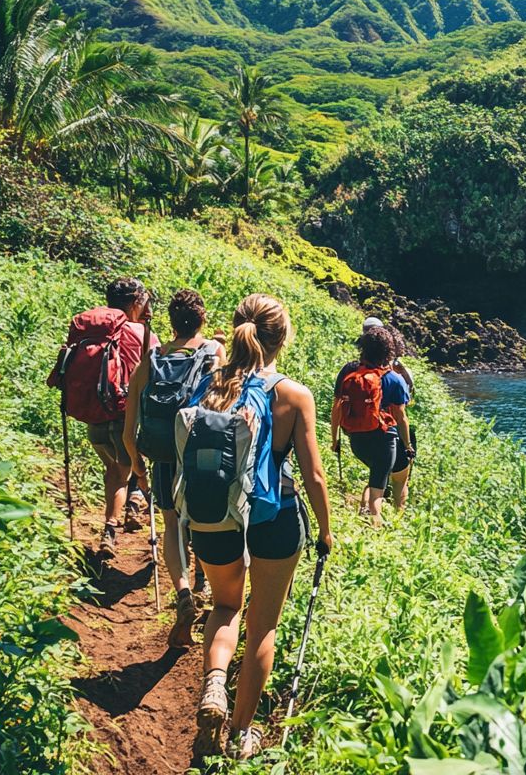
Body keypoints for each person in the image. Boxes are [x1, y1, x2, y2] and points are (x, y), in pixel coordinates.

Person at [187, 294, 333, 760]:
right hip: (274, 516)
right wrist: (327, 532)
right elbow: (313, 475)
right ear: (283, 337)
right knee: (262, 623)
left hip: (214, 515)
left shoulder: (211, 381)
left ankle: (214, 682)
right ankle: (241, 733)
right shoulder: (293, 394)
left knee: (225, 605)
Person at [122, 288, 226, 647]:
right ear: (203, 319)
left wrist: (137, 465)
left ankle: (182, 590)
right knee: (204, 524)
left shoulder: (151, 359)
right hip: (202, 457)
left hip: (164, 456)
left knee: (172, 525)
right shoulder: (214, 352)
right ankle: (205, 583)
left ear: (171, 322)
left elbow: (128, 428)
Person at [50, 276, 159, 559]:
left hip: (93, 416)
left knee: (115, 467)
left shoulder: (92, 327)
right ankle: (111, 530)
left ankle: (133, 502)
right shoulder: (139, 333)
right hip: (124, 416)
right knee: (122, 472)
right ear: (136, 302)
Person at [331, 325, 413, 522]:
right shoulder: (394, 379)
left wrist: (334, 440)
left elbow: (336, 409)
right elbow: (400, 417)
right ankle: (384, 525)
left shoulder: (350, 373)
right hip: (384, 440)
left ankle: (365, 516)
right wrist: (408, 446)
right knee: (387, 485)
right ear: (389, 351)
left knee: (376, 477)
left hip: (357, 440)